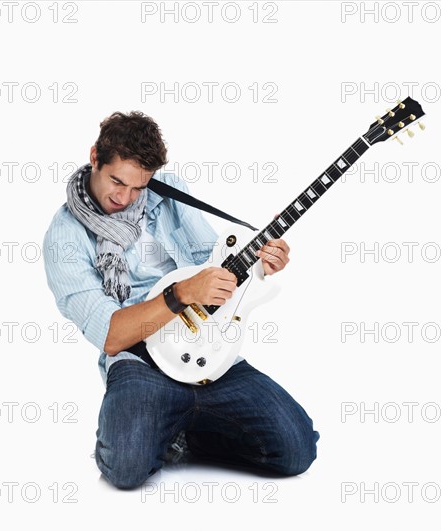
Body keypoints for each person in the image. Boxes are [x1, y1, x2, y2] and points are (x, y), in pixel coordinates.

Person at [43, 111, 319, 490]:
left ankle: (184, 430)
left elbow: (215, 265)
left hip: (209, 347)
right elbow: (111, 335)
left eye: (139, 187)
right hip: (138, 361)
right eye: (116, 181)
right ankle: (166, 424)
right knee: (125, 469)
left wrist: (260, 266)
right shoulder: (64, 239)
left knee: (296, 449)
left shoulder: (167, 190)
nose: (124, 198)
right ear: (95, 157)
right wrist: (181, 295)